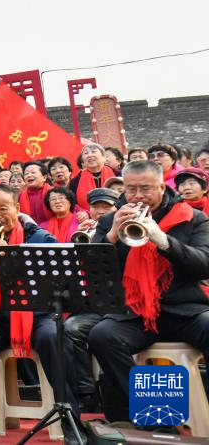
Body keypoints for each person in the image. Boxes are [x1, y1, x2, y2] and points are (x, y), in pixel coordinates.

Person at [88, 159, 209, 425]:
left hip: (183, 310)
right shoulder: (110, 220)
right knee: (102, 336)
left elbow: (204, 265)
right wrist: (111, 236)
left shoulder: (192, 217)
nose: (138, 196)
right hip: (134, 313)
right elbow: (92, 270)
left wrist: (163, 240)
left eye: (146, 188)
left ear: (162, 188)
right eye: (131, 189)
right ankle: (156, 417)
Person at [0, 185, 78, 444]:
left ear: (17, 209)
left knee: (53, 337)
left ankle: (70, 418)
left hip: (37, 316)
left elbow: (56, 281)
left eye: (3, 209)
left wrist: (9, 258)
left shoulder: (39, 238)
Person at [62, 187, 120, 412]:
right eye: (96, 207)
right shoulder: (84, 231)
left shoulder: (124, 228)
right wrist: (81, 242)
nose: (101, 211)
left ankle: (118, 396)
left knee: (104, 333)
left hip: (121, 305)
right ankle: (87, 392)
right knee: (70, 328)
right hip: (92, 304)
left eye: (107, 207)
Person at [68, 143, 117, 210]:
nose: (89, 155)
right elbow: (73, 204)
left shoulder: (117, 175)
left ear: (104, 157)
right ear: (83, 161)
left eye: (93, 152)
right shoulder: (75, 181)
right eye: (86, 153)